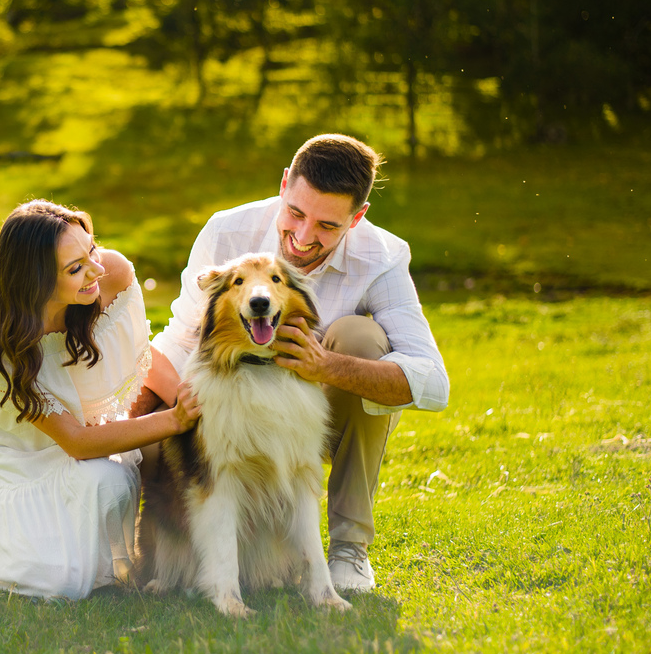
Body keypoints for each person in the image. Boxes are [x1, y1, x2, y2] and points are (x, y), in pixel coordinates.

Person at [135, 133, 449, 593]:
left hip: (314, 416)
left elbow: (433, 382)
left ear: (357, 218)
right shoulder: (227, 232)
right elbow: (180, 336)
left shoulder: (382, 256)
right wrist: (179, 407)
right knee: (144, 415)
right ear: (285, 185)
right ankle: (166, 553)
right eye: (296, 213)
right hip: (231, 413)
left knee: (360, 340)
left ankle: (348, 548)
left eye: (327, 225)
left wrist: (327, 367)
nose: (303, 238)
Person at [0, 199, 200, 600]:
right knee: (72, 553)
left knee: (136, 465)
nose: (95, 270)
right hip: (20, 457)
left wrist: (191, 405)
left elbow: (141, 354)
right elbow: (76, 442)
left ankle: (160, 556)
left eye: (91, 250)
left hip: (87, 435)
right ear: (38, 282)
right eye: (74, 269)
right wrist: (174, 420)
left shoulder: (111, 274)